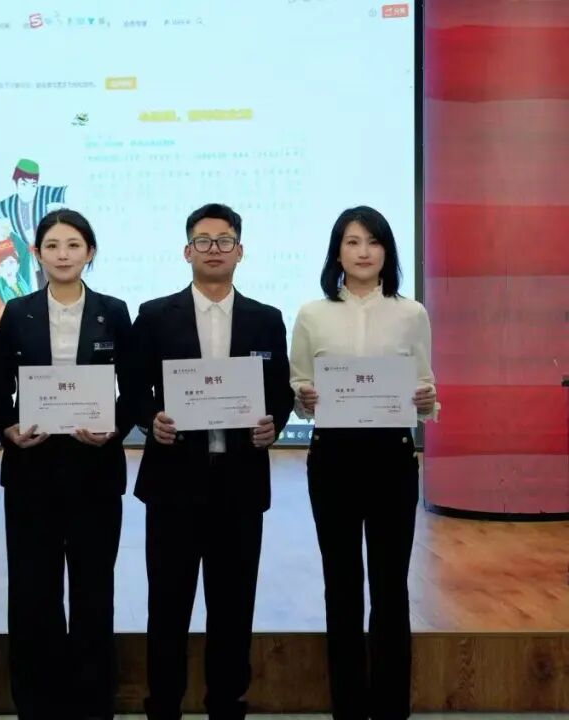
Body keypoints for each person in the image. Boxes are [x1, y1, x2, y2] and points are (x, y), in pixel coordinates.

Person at [130, 203, 293, 720]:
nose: (214, 249)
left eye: (224, 240)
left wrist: (273, 424)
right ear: (187, 251)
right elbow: (132, 387)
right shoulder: (155, 315)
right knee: (168, 604)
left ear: (240, 251)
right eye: (203, 240)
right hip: (173, 484)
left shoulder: (266, 319)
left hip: (240, 484)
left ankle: (227, 703)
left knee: (233, 604)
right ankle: (164, 705)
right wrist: (150, 419)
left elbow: (281, 390)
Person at [289, 206, 438, 720]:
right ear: (337, 252)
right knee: (342, 585)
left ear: (387, 251)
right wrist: (304, 397)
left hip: (391, 458)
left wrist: (426, 400)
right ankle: (348, 706)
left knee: (391, 587)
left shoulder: (411, 313)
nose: (363, 252)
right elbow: (298, 383)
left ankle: (392, 707)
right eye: (352, 242)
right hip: (333, 458)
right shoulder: (312, 314)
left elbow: (425, 385)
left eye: (373, 242)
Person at [0, 209, 134, 720]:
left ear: (90, 252)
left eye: (74, 245)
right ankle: (37, 703)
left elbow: (134, 387)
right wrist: (8, 426)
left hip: (95, 472)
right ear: (37, 254)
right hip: (32, 472)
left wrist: (114, 426)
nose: (63, 254)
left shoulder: (114, 312)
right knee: (34, 594)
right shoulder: (18, 313)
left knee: (94, 592)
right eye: (52, 245)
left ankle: (94, 703)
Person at [0, 157, 68, 290]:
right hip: (27, 257)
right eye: (23, 184)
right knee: (32, 285)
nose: (28, 190)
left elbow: (65, 192)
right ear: (15, 182)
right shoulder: (10, 204)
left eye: (33, 185)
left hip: (47, 252)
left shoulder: (43, 193)